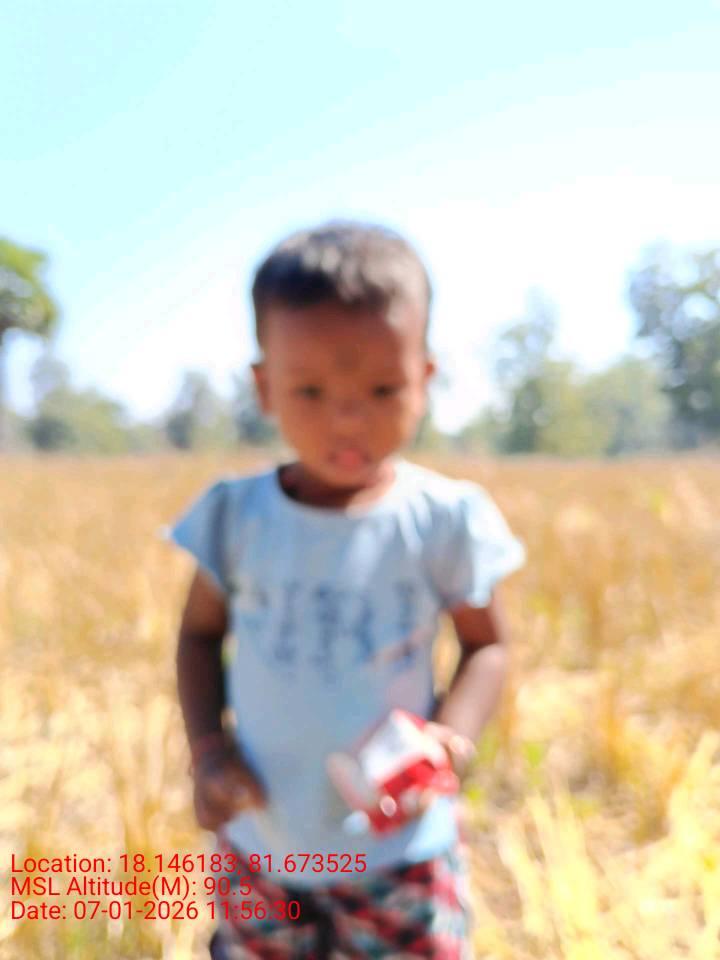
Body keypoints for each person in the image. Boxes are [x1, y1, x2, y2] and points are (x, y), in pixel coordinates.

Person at [163, 220, 526, 959]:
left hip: (401, 846)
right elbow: (198, 636)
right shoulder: (235, 518)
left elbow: (487, 646)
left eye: (383, 388)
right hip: (264, 844)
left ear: (425, 378)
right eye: (311, 390)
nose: (348, 416)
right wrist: (209, 753)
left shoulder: (443, 520)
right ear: (264, 387)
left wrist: (450, 739)